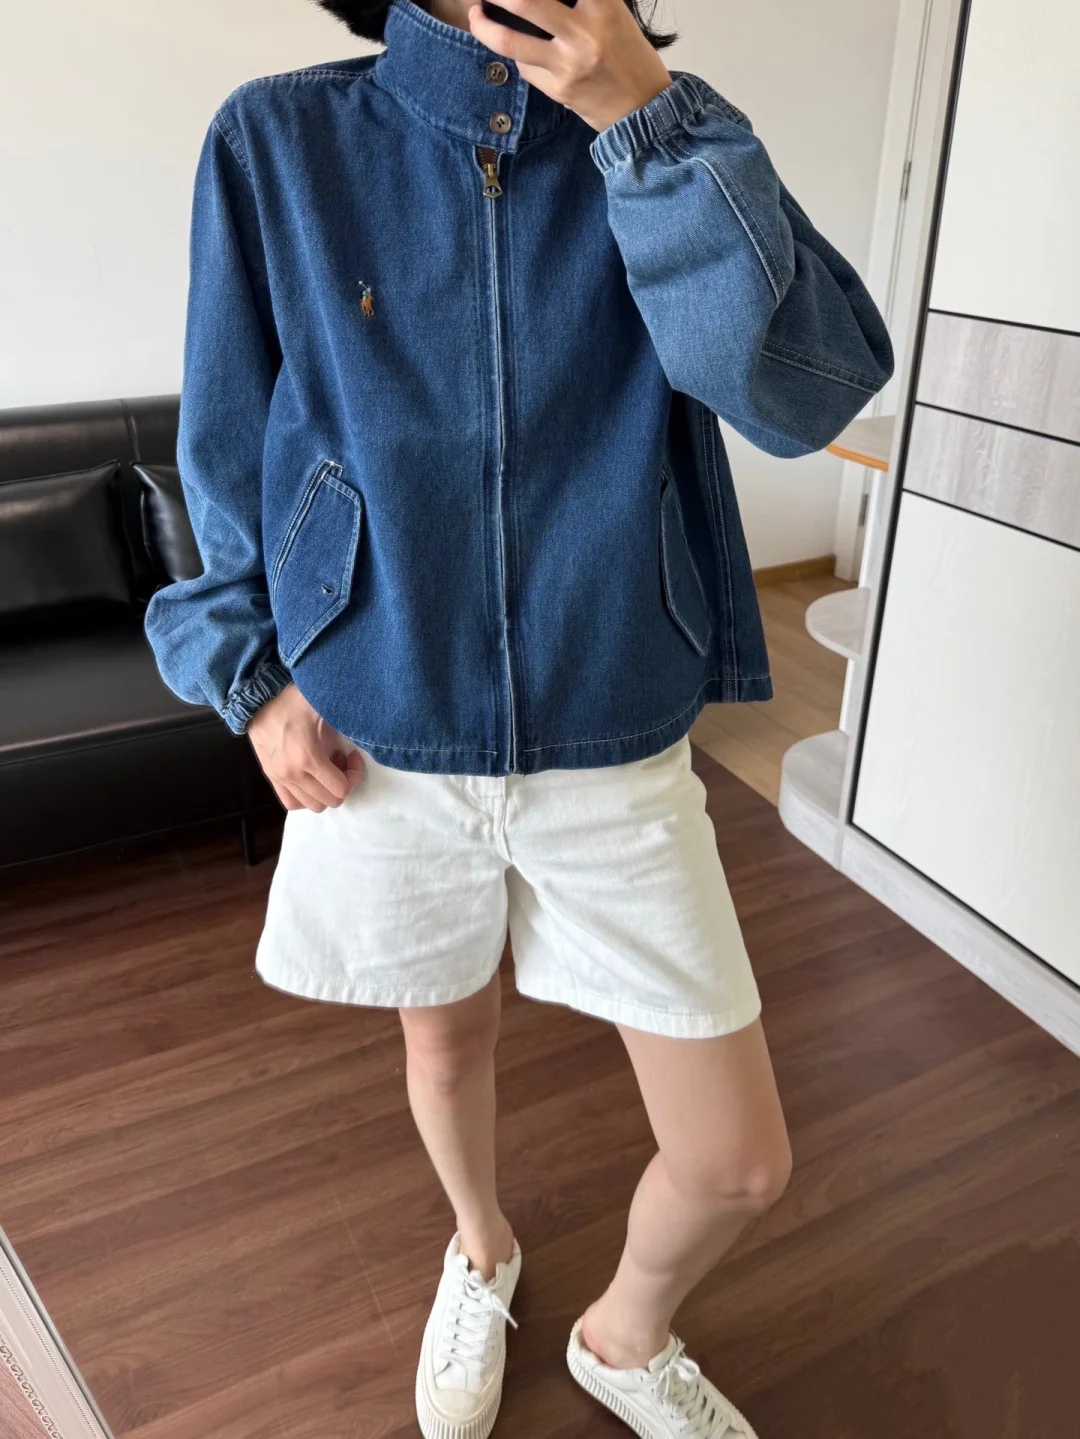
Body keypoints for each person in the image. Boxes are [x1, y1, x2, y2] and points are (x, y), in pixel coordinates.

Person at [144, 0, 894, 1434]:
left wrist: (644, 124)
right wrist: (253, 677)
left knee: (739, 1161)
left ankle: (623, 1333)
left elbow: (803, 398)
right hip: (381, 725)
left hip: (615, 722)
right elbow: (227, 441)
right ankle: (480, 1250)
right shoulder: (281, 138)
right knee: (443, 1047)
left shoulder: (669, 133)